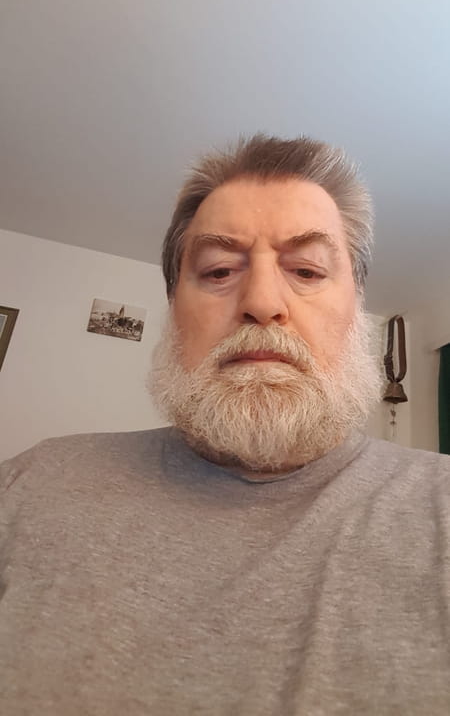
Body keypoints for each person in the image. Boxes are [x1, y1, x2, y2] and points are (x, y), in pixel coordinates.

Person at [1, 134, 450, 715]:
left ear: (356, 306)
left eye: (307, 270)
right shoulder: (31, 485)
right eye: (217, 271)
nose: (262, 301)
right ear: (173, 309)